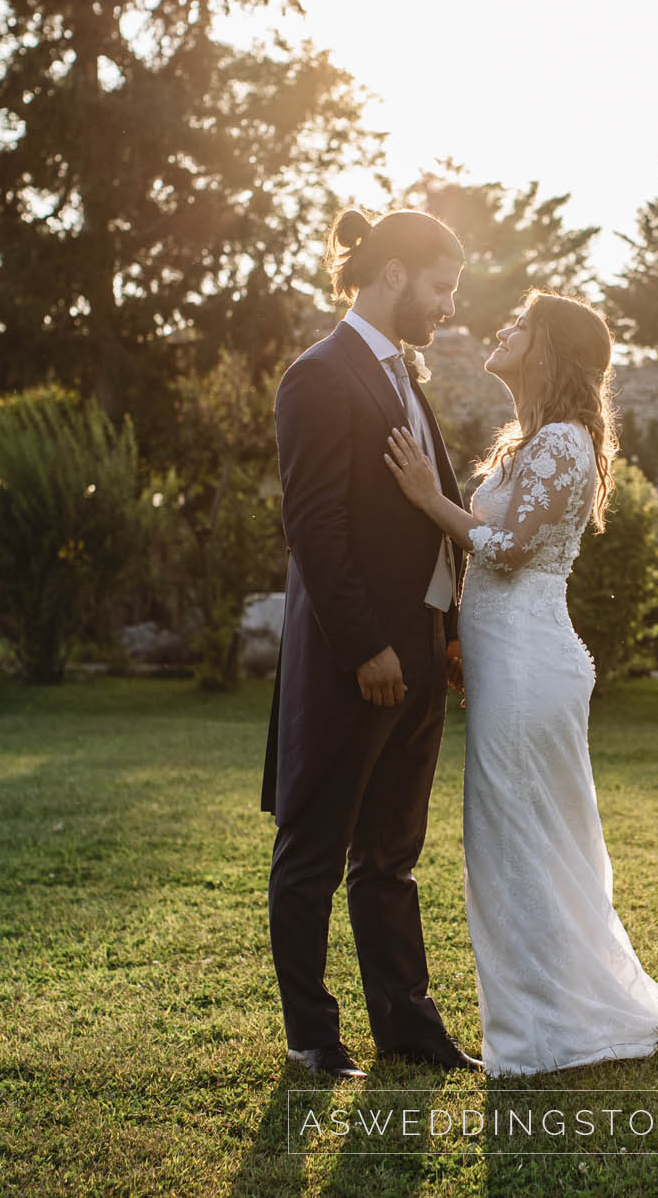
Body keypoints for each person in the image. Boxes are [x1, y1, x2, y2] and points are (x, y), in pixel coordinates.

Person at [384, 291, 658, 1077]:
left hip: (531, 666)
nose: (500, 328)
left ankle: (542, 1033)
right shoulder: (525, 442)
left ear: (549, 349)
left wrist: (429, 499)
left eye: (518, 323)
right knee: (513, 841)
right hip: (507, 663)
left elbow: (513, 548)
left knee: (518, 841)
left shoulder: (563, 440)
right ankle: (544, 1015)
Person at [263, 208, 482, 1079]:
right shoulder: (317, 376)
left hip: (423, 651)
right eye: (440, 288)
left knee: (392, 852)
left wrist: (450, 627)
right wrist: (365, 647)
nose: (447, 308)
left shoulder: (401, 374)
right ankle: (313, 1035)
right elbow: (313, 525)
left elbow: (425, 515)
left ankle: (407, 1024)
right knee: (314, 846)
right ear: (393, 274)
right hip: (358, 661)